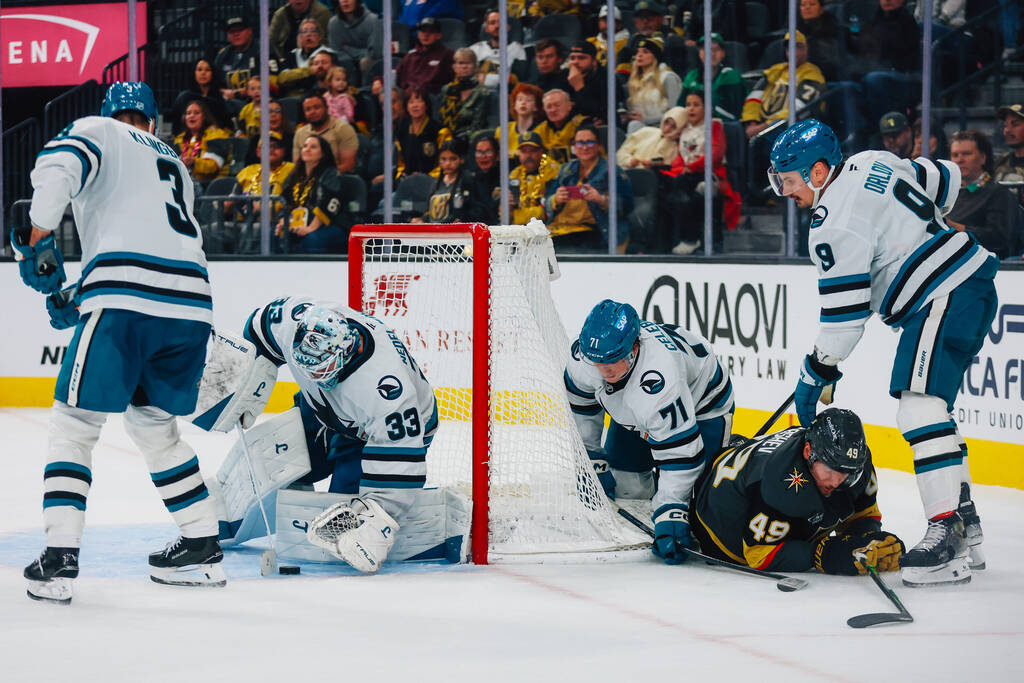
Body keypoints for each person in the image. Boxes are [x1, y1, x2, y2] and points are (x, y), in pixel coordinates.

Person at [15, 82, 224, 603]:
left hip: (126, 302)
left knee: (74, 422)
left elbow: (56, 165)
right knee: (154, 425)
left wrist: (39, 236)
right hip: (191, 306)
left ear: (109, 114)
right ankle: (201, 544)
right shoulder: (175, 161)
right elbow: (153, 241)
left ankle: (60, 558)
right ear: (153, 121)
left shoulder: (97, 130)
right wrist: (83, 291)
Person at [769, 119, 996, 587]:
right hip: (968, 286)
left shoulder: (830, 224)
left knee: (918, 408)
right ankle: (965, 520)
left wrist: (816, 372)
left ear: (816, 172)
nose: (786, 193)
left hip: (944, 294)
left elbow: (844, 318)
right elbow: (948, 178)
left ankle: (946, 531)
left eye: (789, 181)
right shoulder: (872, 160)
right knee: (933, 410)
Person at [241, 297, 438, 572]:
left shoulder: (386, 389)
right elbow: (258, 329)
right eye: (305, 366)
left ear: (346, 351)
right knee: (272, 461)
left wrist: (379, 516)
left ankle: (394, 516)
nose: (312, 374)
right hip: (327, 409)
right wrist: (247, 380)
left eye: (321, 368)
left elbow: (403, 454)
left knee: (343, 521)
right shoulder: (291, 320)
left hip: (380, 436)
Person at [564, 299, 735, 564]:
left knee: (704, 513)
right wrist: (590, 455)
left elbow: (681, 453)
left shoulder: (658, 379)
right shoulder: (585, 357)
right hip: (637, 412)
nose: (604, 369)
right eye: (598, 362)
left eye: (613, 360)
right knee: (627, 489)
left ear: (634, 347)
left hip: (703, 404)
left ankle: (731, 451)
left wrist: (671, 509)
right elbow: (582, 404)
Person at [692, 409, 904, 575]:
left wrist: (868, 540)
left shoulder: (858, 466)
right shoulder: (778, 485)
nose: (837, 482)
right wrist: (827, 554)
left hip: (741, 461)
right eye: (830, 470)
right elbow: (759, 554)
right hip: (711, 520)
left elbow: (862, 514)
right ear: (808, 452)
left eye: (848, 473)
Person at [662, 91, 742, 253]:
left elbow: (715, 155)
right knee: (671, 189)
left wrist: (692, 166)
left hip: (710, 174)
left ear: (706, 108)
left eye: (696, 105)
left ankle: (694, 239)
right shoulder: (684, 130)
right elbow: (680, 157)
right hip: (688, 175)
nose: (691, 109)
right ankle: (678, 240)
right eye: (688, 105)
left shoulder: (714, 126)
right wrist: (681, 168)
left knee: (694, 190)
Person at [545, 125, 634, 252]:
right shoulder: (566, 169)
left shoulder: (612, 171)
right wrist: (555, 199)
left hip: (593, 232)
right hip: (559, 229)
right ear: (574, 147)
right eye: (580, 143)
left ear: (599, 146)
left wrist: (602, 199)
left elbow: (628, 206)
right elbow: (547, 202)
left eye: (590, 142)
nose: (585, 147)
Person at [945, 130, 1021, 259]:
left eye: (966, 154)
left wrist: (955, 227)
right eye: (955, 155)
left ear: (983, 158)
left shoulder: (999, 193)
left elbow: (999, 239)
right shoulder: (946, 194)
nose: (960, 160)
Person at [742, 31, 825, 141]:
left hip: (792, 128)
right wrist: (752, 123)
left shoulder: (812, 74)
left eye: (797, 48)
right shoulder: (775, 71)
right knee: (734, 130)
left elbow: (799, 108)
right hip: (762, 125)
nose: (793, 52)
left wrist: (764, 127)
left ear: (805, 50)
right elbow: (753, 98)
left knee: (776, 131)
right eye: (789, 48)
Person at [852, 0, 921, 126]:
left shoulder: (907, 22)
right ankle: (860, 131)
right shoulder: (871, 22)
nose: (887, 0)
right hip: (870, 71)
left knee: (874, 80)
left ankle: (880, 127)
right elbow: (862, 52)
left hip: (901, 74)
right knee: (848, 86)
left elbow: (905, 55)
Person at [278, 134, 350, 253]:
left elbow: (329, 202)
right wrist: (282, 222)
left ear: (322, 154)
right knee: (273, 235)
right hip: (299, 224)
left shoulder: (330, 173)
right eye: (305, 146)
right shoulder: (293, 175)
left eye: (313, 147)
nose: (307, 149)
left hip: (330, 224)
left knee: (312, 239)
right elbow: (284, 201)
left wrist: (310, 228)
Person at [413, 138, 483, 223]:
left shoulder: (469, 180)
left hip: (456, 233)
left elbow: (477, 210)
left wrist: (463, 221)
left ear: (462, 159)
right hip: (435, 232)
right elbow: (430, 213)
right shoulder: (436, 183)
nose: (448, 163)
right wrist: (422, 220)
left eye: (453, 159)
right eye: (443, 159)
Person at [680, 33, 746, 121]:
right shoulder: (692, 76)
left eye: (716, 49)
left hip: (723, 126)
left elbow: (737, 111)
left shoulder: (731, 76)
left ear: (723, 53)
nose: (711, 53)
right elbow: (680, 106)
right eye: (706, 49)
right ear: (700, 53)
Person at [292, 92, 359, 174]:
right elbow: (296, 166)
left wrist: (318, 177)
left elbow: (348, 165)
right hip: (306, 181)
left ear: (327, 108)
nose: (312, 112)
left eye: (316, 107)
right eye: (308, 109)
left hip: (334, 179)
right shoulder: (300, 133)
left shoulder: (343, 129)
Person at [625, 37, 683, 131]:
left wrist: (646, 120)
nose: (639, 55)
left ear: (655, 56)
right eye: (638, 52)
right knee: (633, 125)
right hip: (641, 127)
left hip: (664, 129)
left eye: (645, 52)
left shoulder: (667, 77)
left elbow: (676, 113)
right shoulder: (635, 81)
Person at [233, 131, 295, 217]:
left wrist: (260, 207)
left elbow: (291, 201)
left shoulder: (292, 170)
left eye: (276, 146)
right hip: (242, 220)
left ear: (284, 150)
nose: (271, 150)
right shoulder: (247, 171)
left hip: (276, 222)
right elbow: (233, 197)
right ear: (258, 152)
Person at [395, 87, 451, 178]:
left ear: (426, 105)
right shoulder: (402, 130)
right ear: (406, 107)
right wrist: (401, 175)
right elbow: (400, 164)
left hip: (433, 181)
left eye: (419, 101)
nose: (415, 105)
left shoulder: (440, 131)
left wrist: (425, 178)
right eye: (411, 102)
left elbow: (446, 164)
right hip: (408, 181)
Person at [174, 99, 232, 183]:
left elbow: (213, 166)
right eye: (188, 113)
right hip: (186, 183)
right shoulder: (179, 139)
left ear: (204, 117)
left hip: (212, 185)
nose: (191, 116)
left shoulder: (217, 135)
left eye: (196, 113)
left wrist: (193, 163)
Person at [509, 130, 560, 225]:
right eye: (524, 151)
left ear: (541, 151)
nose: (528, 155)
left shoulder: (554, 171)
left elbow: (547, 210)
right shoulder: (515, 174)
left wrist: (515, 216)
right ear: (518, 153)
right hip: (520, 228)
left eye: (533, 150)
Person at [439, 48, 490, 141]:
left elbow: (478, 125)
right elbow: (439, 119)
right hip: (445, 138)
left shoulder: (482, 92)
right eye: (461, 63)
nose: (464, 67)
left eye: (468, 63)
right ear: (454, 67)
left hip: (471, 141)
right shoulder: (447, 90)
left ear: (476, 67)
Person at [470, 9, 528, 90]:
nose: (497, 26)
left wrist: (484, 79)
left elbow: (517, 80)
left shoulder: (517, 50)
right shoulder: (475, 49)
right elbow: (467, 77)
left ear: (508, 27)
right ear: (486, 28)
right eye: (492, 23)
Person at [169, 58, 230, 135]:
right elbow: (177, 125)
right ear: (194, 73)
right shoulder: (185, 97)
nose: (203, 73)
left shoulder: (219, 98)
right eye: (199, 70)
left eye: (207, 70)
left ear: (213, 73)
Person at [396, 17, 455, 95]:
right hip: (407, 99)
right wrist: (379, 81)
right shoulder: (410, 55)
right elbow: (395, 73)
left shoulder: (447, 55)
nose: (426, 35)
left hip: (431, 99)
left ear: (439, 35)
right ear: (418, 34)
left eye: (431, 31)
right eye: (423, 31)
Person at [327, 0, 383, 81]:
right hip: (346, 62)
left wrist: (349, 49)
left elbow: (374, 53)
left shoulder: (373, 20)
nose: (345, 1)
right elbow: (336, 51)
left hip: (369, 62)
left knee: (365, 62)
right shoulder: (333, 23)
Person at [616, 105, 684, 170]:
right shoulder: (646, 131)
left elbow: (669, 169)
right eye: (666, 122)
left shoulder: (675, 149)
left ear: (680, 129)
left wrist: (653, 166)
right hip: (626, 172)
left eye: (674, 127)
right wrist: (629, 161)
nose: (667, 129)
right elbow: (621, 153)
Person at [534, 89, 587, 165]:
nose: (553, 110)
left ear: (569, 106)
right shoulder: (541, 129)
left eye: (557, 105)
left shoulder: (582, 124)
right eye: (549, 107)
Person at [797, 0, 844, 81]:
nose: (807, 7)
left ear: (822, 9)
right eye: (803, 5)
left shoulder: (832, 31)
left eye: (812, 4)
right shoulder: (793, 30)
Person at [495, 82, 544, 159]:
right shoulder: (503, 130)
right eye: (520, 99)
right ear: (514, 105)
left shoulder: (542, 130)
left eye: (528, 100)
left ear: (536, 106)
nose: (523, 103)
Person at [994, 103, 1024, 202]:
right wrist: (969, 188)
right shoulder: (1001, 160)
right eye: (1005, 125)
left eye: (1015, 124)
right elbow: (982, 182)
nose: (1007, 130)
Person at [470, 133, 501, 223]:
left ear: (497, 155)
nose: (483, 156)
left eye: (488, 152)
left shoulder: (505, 177)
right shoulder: (471, 179)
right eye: (479, 152)